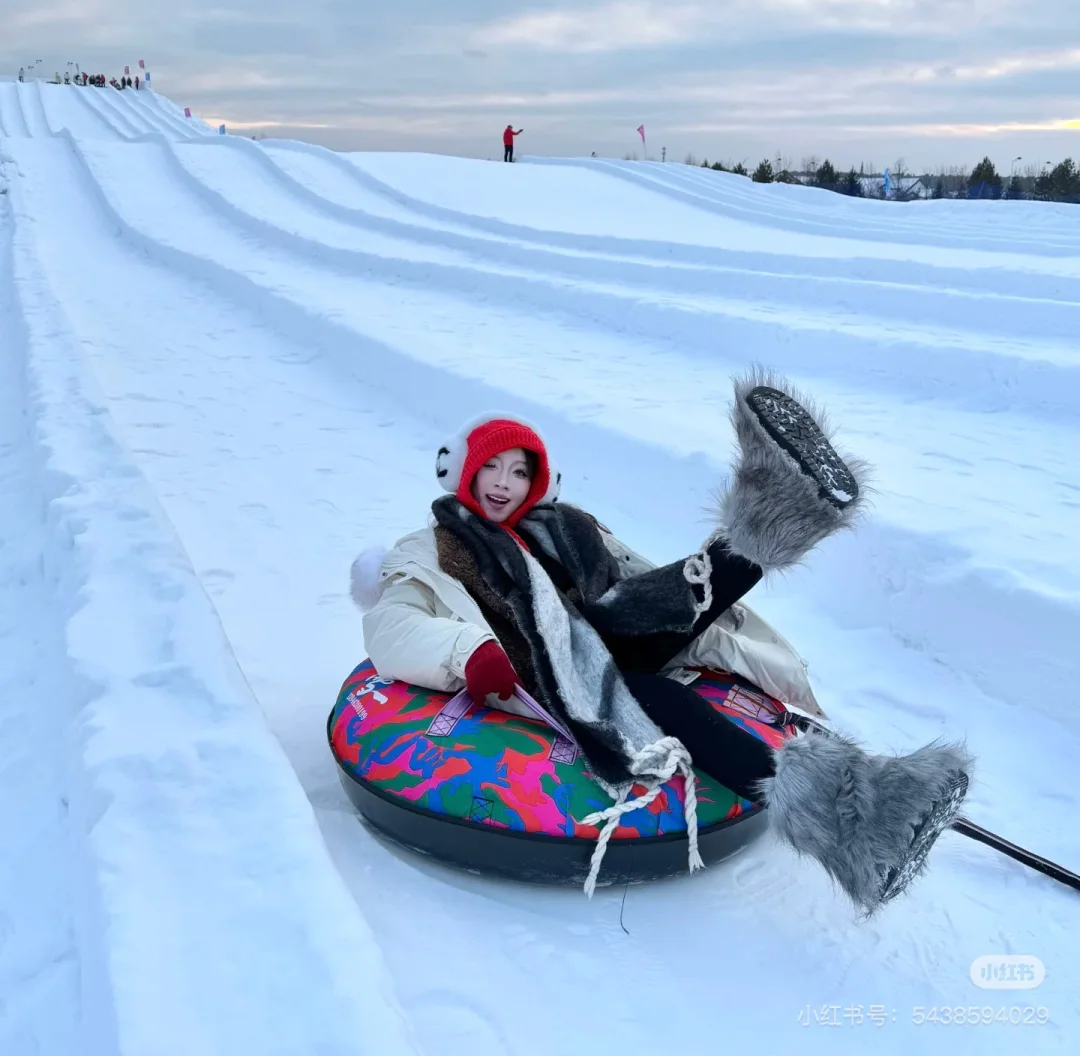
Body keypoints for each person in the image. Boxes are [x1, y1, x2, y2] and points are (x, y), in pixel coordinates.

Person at [356, 375, 972, 911]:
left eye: (520, 471)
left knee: (683, 592)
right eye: (490, 466)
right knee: (661, 702)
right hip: (542, 672)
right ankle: (855, 819)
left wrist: (671, 602)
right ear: (459, 469)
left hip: (600, 635)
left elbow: (633, 579)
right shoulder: (427, 549)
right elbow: (392, 626)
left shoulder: (565, 526)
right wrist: (465, 653)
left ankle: (782, 505)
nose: (504, 483)